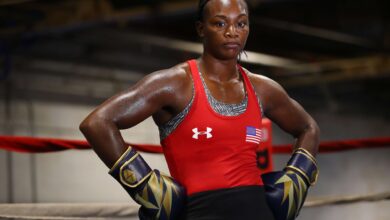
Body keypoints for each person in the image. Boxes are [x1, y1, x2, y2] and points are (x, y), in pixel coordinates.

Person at [79, 0, 320, 219]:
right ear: (201, 29)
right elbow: (97, 123)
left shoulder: (263, 88)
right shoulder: (174, 83)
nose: (232, 32)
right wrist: (146, 187)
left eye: (241, 23)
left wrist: (297, 182)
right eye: (220, 23)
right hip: (198, 212)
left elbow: (308, 127)